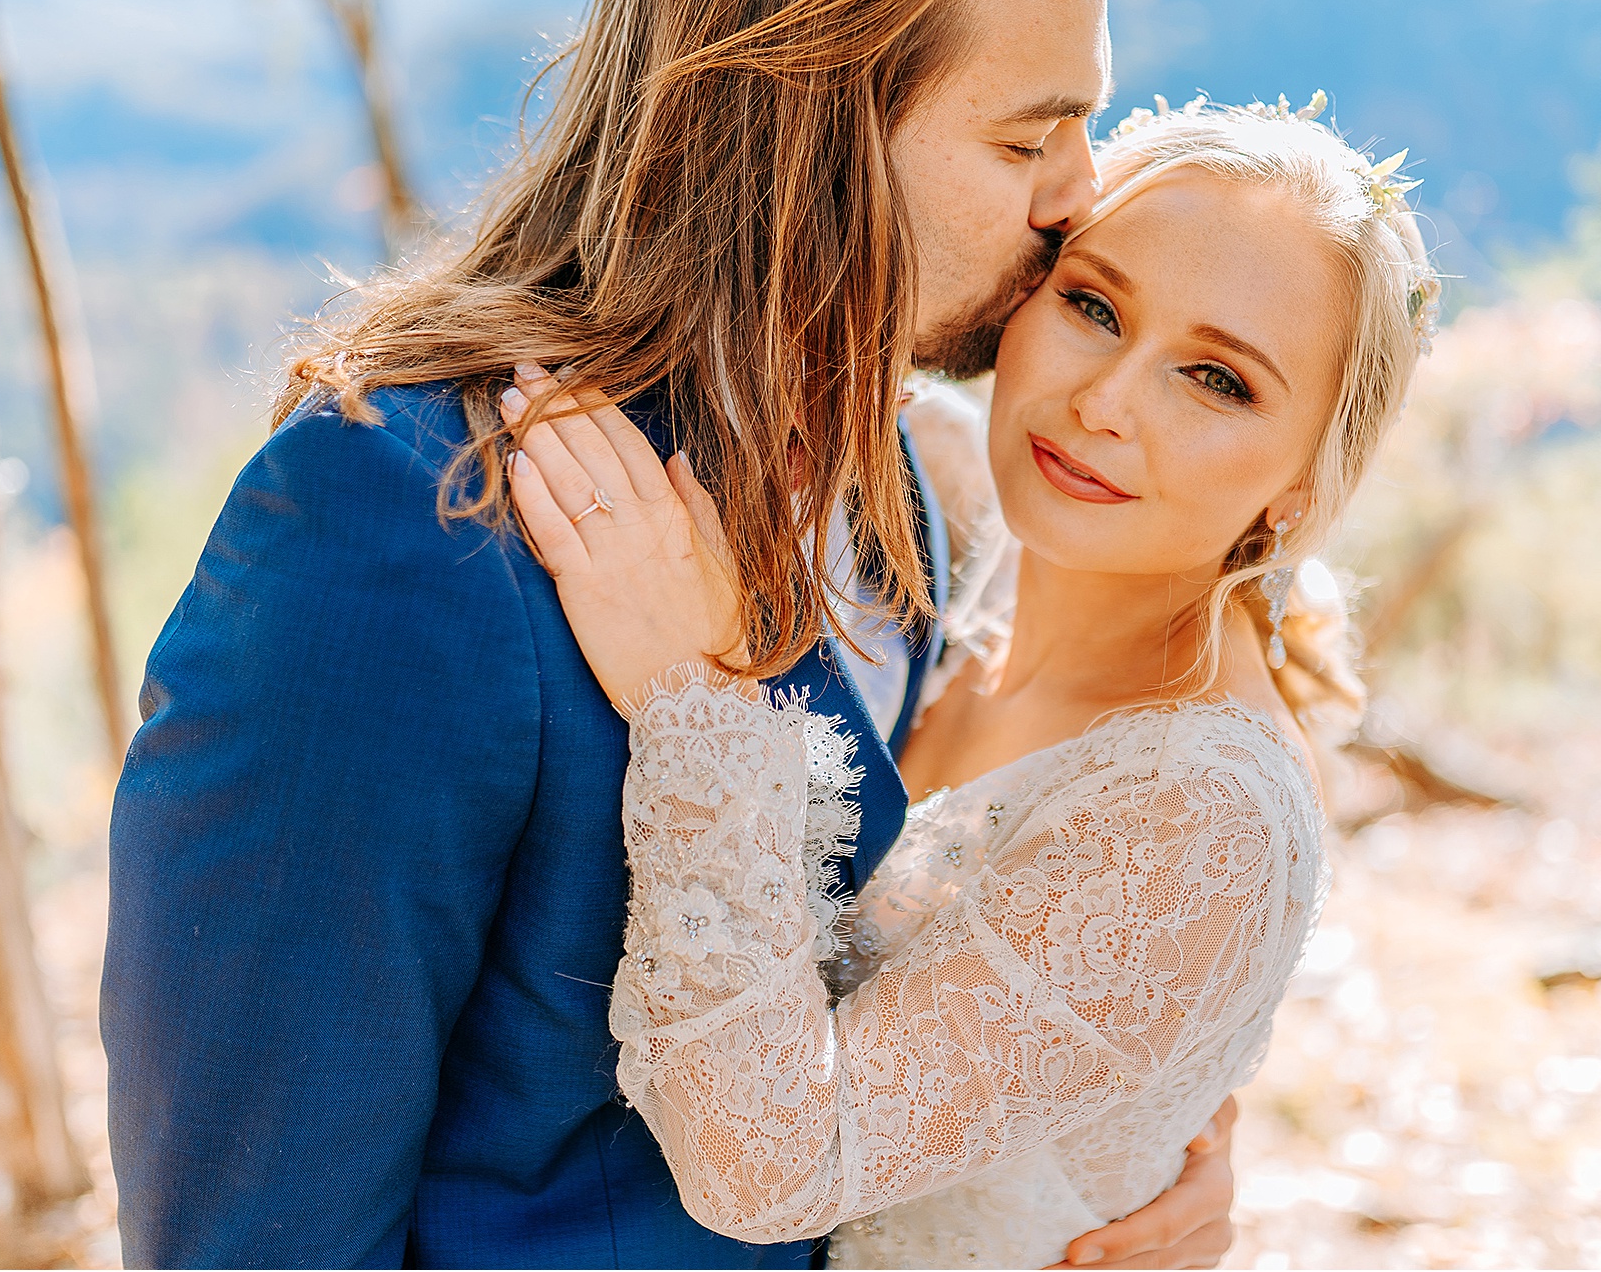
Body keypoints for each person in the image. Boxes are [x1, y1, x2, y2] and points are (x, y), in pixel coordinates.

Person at [101, 0, 1238, 1267]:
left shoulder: (906, 478)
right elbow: (253, 1228)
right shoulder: (398, 522)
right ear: (812, 123)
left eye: (1086, 119)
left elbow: (865, 1026)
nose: (1079, 191)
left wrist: (1101, 1174)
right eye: (1027, 138)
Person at [502, 96, 1440, 1269]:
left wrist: (692, 698)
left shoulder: (1204, 808)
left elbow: (775, 1158)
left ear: (1302, 484)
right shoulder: (943, 497)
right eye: (1093, 305)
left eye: (1215, 380)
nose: (1104, 404)